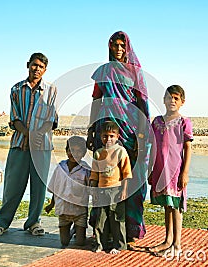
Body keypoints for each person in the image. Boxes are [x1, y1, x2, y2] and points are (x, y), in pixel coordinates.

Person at [86, 31, 151, 246]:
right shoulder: (103, 72)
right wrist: (90, 130)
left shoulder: (135, 72)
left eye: (122, 45)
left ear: (128, 47)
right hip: (107, 129)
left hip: (131, 131)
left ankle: (129, 227)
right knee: (105, 178)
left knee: (129, 179)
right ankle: (105, 229)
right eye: (115, 45)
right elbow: (96, 100)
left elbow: (142, 104)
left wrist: (141, 136)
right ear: (110, 47)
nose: (119, 49)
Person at [0, 52, 58, 236]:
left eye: (41, 67)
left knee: (39, 187)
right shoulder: (16, 89)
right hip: (19, 144)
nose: (37, 69)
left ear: (45, 70)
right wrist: (28, 134)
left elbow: (51, 119)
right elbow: (15, 119)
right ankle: (2, 223)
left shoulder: (51, 90)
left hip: (42, 146)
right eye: (34, 65)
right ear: (28, 65)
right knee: (12, 185)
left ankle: (34, 222)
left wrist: (37, 135)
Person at [148, 85, 193, 257]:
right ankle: (167, 240)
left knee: (176, 207)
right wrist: (151, 169)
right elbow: (153, 148)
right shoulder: (157, 122)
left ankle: (177, 245)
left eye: (176, 98)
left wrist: (185, 172)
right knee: (167, 205)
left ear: (182, 102)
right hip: (160, 170)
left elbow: (187, 148)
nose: (172, 101)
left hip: (175, 170)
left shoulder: (184, 122)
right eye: (169, 97)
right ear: (164, 100)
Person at [90, 121, 132, 254]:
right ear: (100, 137)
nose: (108, 139)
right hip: (102, 190)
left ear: (117, 136)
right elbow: (94, 175)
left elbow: (126, 174)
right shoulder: (98, 153)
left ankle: (119, 245)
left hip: (117, 189)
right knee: (101, 218)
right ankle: (100, 244)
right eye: (105, 136)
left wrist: (124, 190)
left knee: (117, 218)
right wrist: (94, 191)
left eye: (111, 136)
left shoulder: (121, 152)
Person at [45, 136, 90, 248]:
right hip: (63, 210)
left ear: (84, 153)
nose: (74, 154)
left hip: (80, 211)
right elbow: (56, 188)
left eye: (78, 151)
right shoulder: (60, 167)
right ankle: (71, 230)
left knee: (80, 242)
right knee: (64, 242)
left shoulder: (86, 169)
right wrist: (51, 204)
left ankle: (77, 228)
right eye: (71, 150)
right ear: (66, 151)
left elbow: (91, 189)